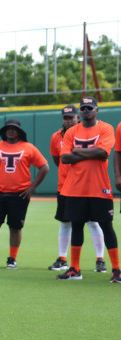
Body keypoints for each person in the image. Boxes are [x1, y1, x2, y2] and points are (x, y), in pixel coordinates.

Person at [57, 97, 120, 281]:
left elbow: (103, 153)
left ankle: (116, 269)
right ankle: (74, 269)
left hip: (100, 187)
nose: (86, 111)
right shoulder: (71, 131)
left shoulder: (106, 128)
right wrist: (89, 153)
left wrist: (77, 152)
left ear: (96, 110)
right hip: (75, 188)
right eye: (83, 108)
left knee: (106, 226)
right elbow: (65, 158)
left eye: (89, 108)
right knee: (76, 225)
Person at [0, 119, 49, 270]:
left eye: (14, 129)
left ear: (19, 132)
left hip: (20, 194)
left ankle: (12, 259)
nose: (10, 131)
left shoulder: (29, 148)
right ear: (4, 131)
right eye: (8, 128)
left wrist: (32, 187)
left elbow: (44, 167)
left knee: (15, 227)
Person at [49, 105, 105, 272]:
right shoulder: (56, 137)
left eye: (71, 117)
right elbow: (58, 160)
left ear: (78, 118)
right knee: (65, 222)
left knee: (93, 222)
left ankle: (100, 259)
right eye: (65, 118)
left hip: (86, 185)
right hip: (65, 186)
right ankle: (62, 258)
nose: (68, 121)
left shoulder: (85, 133)